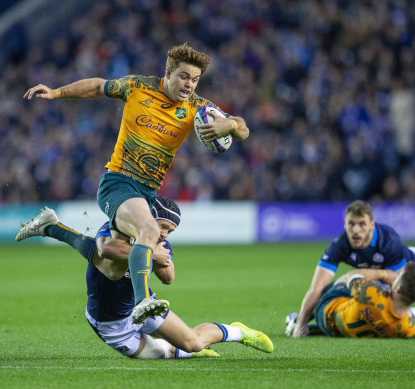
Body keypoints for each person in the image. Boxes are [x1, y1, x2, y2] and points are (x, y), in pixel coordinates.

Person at [23, 43, 250, 325]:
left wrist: (228, 125)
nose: (189, 84)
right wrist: (57, 92)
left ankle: (51, 227)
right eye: (183, 76)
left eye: (194, 79)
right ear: (168, 72)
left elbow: (243, 128)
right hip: (118, 181)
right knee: (149, 230)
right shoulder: (137, 87)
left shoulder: (197, 107)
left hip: (147, 192)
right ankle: (143, 301)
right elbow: (97, 86)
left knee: (110, 265)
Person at [15, 197, 273, 359]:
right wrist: (152, 254)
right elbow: (105, 249)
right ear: (148, 219)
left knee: (193, 343)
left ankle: (240, 331)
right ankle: (54, 228)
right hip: (112, 323)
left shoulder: (159, 242)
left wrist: (159, 257)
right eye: (162, 227)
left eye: (170, 231)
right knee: (161, 351)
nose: (164, 235)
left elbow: (169, 278)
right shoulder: (118, 227)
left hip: (144, 306)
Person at [290, 200, 415, 338]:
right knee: (330, 293)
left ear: (372, 225)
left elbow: (397, 282)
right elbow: (316, 288)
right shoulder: (339, 245)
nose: (356, 230)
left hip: (411, 270)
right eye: (351, 224)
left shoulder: (388, 242)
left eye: (362, 224)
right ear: (344, 224)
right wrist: (301, 324)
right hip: (379, 278)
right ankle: (412, 314)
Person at [290, 263, 415, 339]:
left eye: (398, 278)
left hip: (325, 312)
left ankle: (300, 320)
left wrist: (384, 274)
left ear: (398, 289)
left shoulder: (372, 295)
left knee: (342, 280)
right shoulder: (408, 327)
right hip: (341, 332)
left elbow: (351, 276)